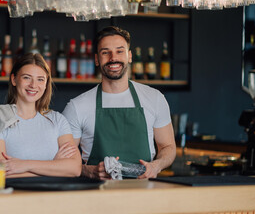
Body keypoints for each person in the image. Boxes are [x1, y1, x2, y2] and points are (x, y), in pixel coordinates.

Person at [62, 26, 176, 180]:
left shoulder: (154, 98)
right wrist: (87, 170)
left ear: (129, 56)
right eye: (105, 52)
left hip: (144, 193)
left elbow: (168, 147)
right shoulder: (77, 107)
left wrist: (156, 166)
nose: (113, 58)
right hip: (95, 194)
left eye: (119, 51)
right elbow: (62, 161)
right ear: (97, 59)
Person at [0, 53, 82, 178]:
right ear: (14, 79)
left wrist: (24, 165)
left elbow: (75, 169)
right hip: (12, 195)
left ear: (45, 84)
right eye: (27, 77)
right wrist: (53, 166)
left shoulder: (57, 119)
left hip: (53, 196)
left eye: (40, 79)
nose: (33, 85)